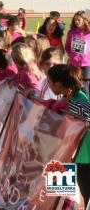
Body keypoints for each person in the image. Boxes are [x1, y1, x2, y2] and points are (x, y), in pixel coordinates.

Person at [44, 64, 90, 206]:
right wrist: (56, 103)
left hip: (84, 155)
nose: (48, 85)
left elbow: (87, 112)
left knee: (86, 191)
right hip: (70, 151)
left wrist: (66, 107)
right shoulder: (68, 96)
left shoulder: (79, 96)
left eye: (49, 82)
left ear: (57, 84)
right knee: (63, 188)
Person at [65, 10, 90, 96]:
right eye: (75, 20)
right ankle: (74, 104)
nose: (76, 22)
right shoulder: (71, 33)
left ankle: (87, 106)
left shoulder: (89, 33)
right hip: (74, 64)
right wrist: (71, 56)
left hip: (87, 65)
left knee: (85, 86)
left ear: (84, 20)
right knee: (74, 85)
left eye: (78, 20)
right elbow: (67, 46)